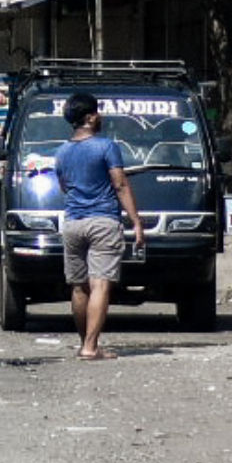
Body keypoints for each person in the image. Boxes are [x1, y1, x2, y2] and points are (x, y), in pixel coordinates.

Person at [51, 91, 144, 361]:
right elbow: (120, 184)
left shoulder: (62, 152)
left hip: (73, 223)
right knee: (100, 284)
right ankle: (91, 347)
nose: (100, 116)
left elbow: (64, 186)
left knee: (79, 286)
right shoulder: (106, 146)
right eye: (97, 112)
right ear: (90, 118)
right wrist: (136, 222)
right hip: (103, 221)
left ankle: (85, 344)